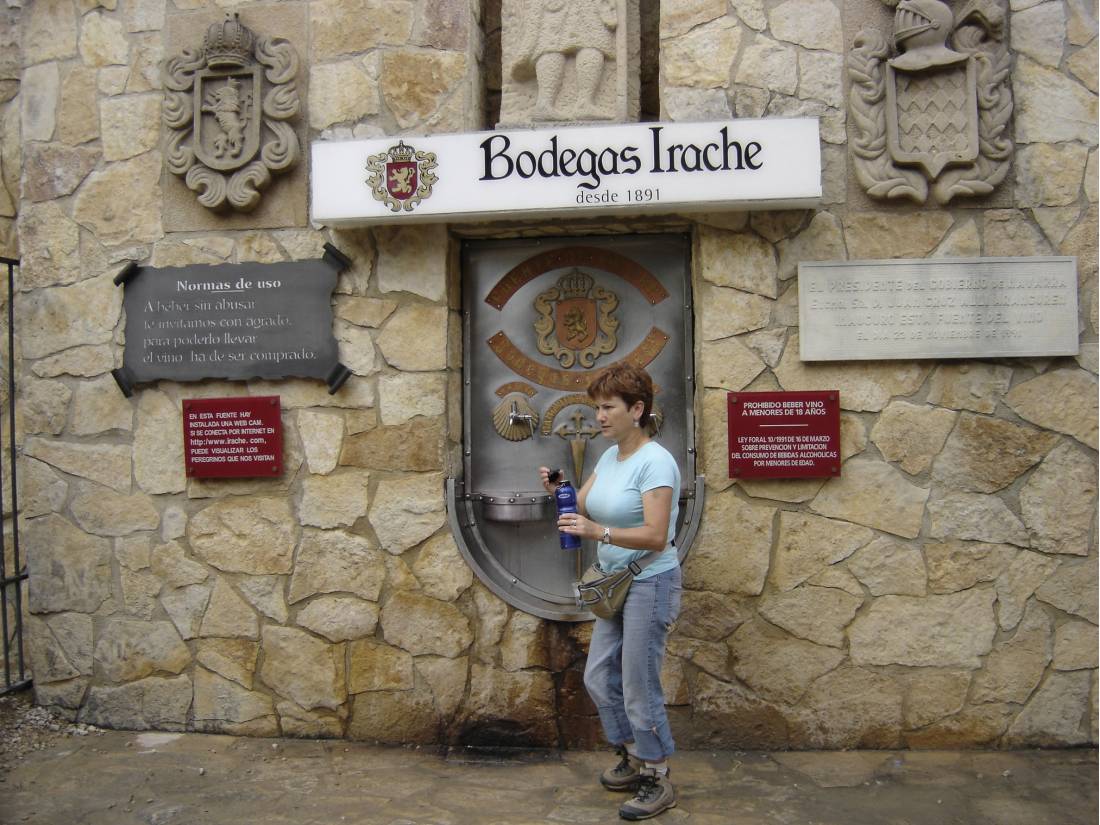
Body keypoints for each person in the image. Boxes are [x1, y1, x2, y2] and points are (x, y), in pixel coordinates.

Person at [539, 363, 682, 821]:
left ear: (636, 409)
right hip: (615, 583)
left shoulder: (656, 462)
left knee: (639, 684)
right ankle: (633, 754)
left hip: (649, 581)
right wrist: (560, 490)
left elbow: (655, 535)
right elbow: (582, 504)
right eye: (596, 407)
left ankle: (657, 777)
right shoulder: (609, 457)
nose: (599, 416)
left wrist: (596, 532)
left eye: (608, 407)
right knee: (599, 677)